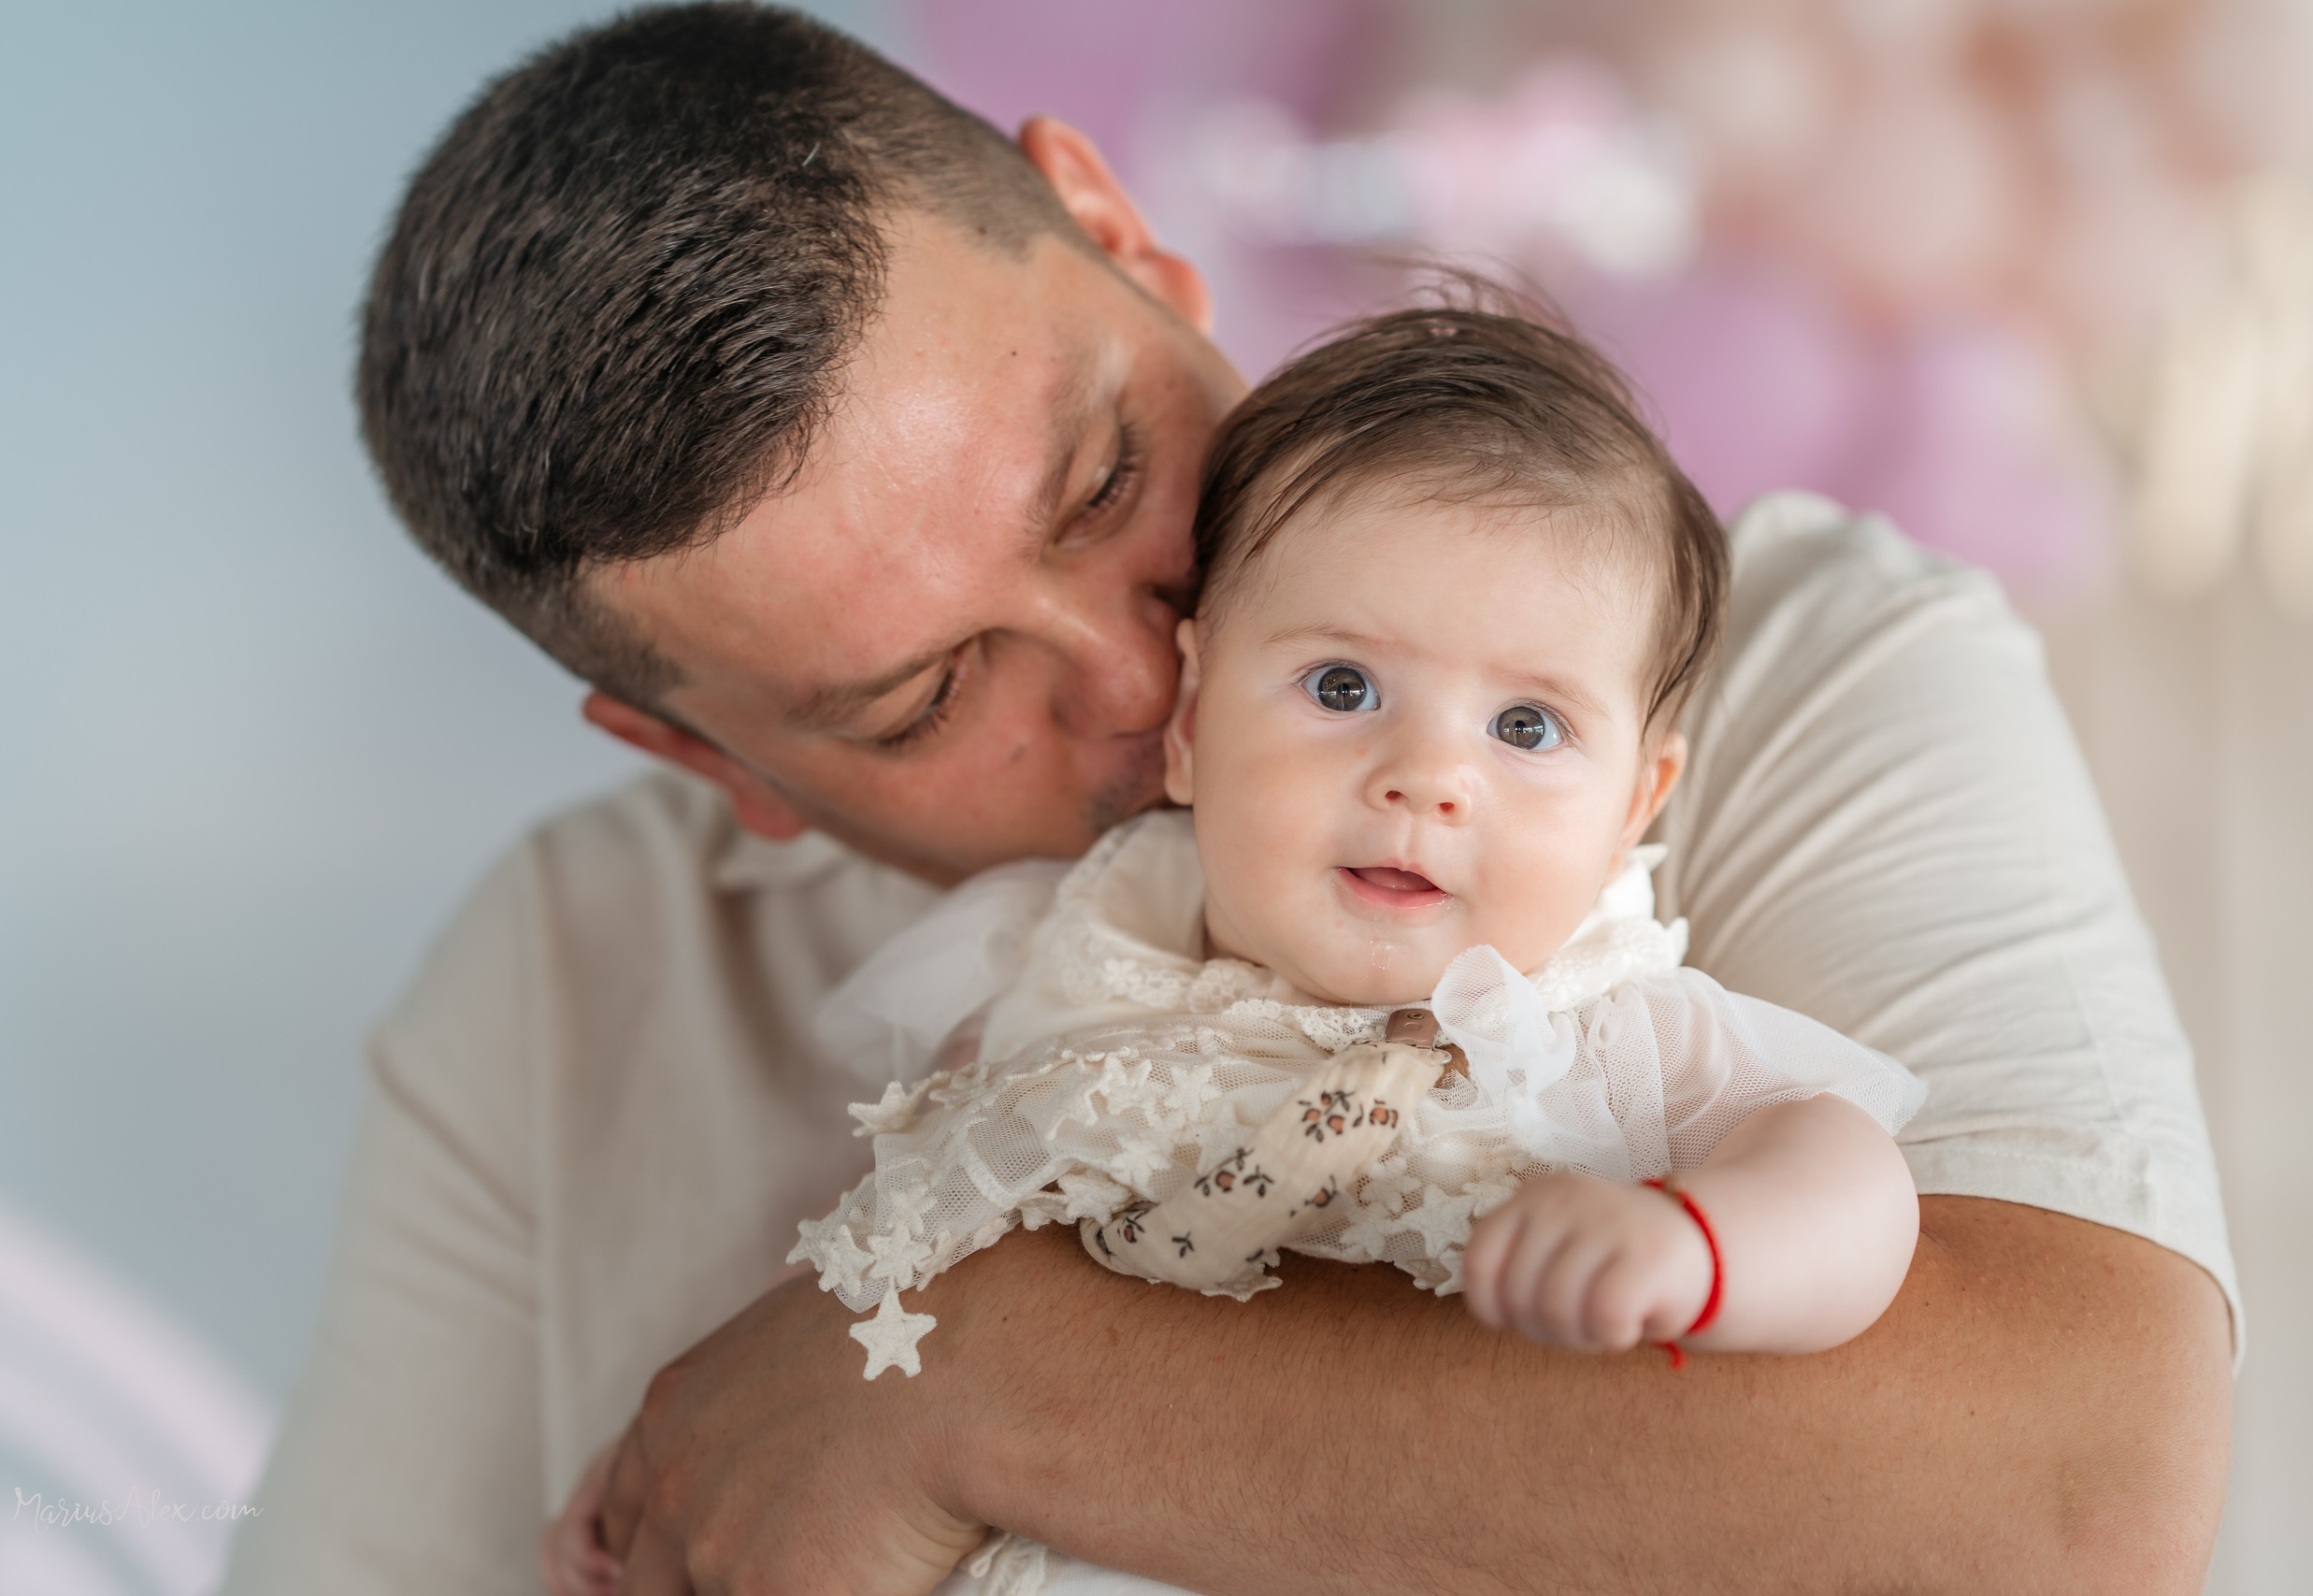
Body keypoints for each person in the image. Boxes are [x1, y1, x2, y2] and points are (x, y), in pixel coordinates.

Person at [222, 6, 2238, 1593]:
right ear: (709, 762)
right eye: (928, 695)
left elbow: (2075, 1499)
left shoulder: (1779, 652)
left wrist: (967, 1393)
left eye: (1105, 483)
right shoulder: (563, 980)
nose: (1132, 677)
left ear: (1118, 232)